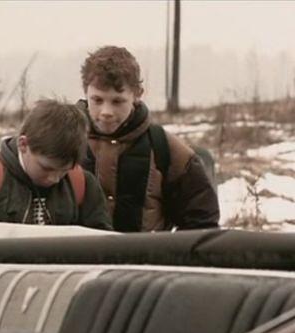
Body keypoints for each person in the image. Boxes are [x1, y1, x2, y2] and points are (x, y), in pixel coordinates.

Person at [77, 45, 219, 232]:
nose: (106, 112)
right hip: (74, 252)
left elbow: (202, 222)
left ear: (137, 94)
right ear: (85, 92)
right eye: (97, 100)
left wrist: (171, 250)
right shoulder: (63, 141)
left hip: (146, 251)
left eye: (117, 101)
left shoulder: (165, 148)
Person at [0, 99, 112, 229]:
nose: (55, 179)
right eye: (46, 168)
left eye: (64, 170)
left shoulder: (83, 184)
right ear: (23, 144)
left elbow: (101, 243)